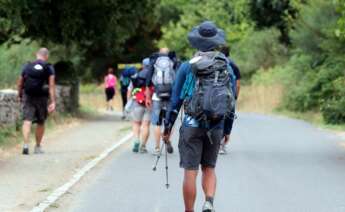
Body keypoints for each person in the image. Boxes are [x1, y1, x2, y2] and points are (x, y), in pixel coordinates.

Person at [163, 21, 234, 212]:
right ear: (216, 42)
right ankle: (209, 201)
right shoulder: (226, 66)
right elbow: (231, 100)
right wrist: (227, 129)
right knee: (209, 168)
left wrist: (167, 127)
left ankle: (189, 210)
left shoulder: (188, 67)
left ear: (197, 43)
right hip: (216, 124)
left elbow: (176, 100)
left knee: (190, 171)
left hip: (191, 124)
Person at [17, 47, 56, 155]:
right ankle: (37, 147)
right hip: (42, 97)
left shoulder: (27, 66)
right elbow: (51, 85)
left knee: (27, 120)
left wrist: (20, 95)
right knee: (40, 121)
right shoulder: (49, 68)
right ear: (46, 56)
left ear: (36, 54)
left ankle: (25, 145)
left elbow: (20, 82)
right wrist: (52, 101)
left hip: (28, 96)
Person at [145, 48, 177, 155]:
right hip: (170, 97)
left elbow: (148, 82)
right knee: (169, 122)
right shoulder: (173, 62)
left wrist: (148, 98)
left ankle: (157, 148)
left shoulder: (154, 62)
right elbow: (176, 80)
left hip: (157, 96)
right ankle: (167, 139)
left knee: (156, 123)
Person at [219, 45, 241, 155]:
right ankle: (222, 144)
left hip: (214, 96)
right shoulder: (232, 65)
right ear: (229, 53)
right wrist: (235, 96)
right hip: (228, 95)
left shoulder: (213, 62)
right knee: (228, 116)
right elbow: (237, 84)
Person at [128, 58, 153, 153]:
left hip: (136, 101)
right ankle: (143, 146)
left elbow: (130, 89)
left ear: (142, 65)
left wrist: (128, 101)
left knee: (136, 123)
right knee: (146, 124)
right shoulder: (152, 76)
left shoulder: (136, 75)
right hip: (149, 102)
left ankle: (137, 140)